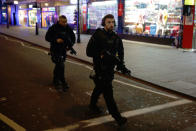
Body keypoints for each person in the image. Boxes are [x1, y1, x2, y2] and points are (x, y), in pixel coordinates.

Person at [86, 14, 131, 126]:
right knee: (108, 93)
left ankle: (92, 105)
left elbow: (120, 53)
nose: (111, 24)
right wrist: (100, 54)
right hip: (100, 69)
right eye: (108, 22)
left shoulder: (116, 37)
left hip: (110, 69)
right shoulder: (98, 34)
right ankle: (117, 117)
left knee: (99, 87)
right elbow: (88, 52)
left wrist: (122, 66)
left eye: (112, 22)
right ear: (104, 23)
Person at [45, 15, 76, 91]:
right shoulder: (54, 27)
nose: (65, 23)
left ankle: (56, 80)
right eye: (63, 22)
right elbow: (47, 37)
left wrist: (70, 46)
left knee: (59, 65)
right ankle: (62, 81)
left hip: (63, 50)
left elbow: (73, 38)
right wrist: (56, 40)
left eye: (66, 22)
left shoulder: (68, 28)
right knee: (60, 65)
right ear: (59, 20)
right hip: (55, 50)